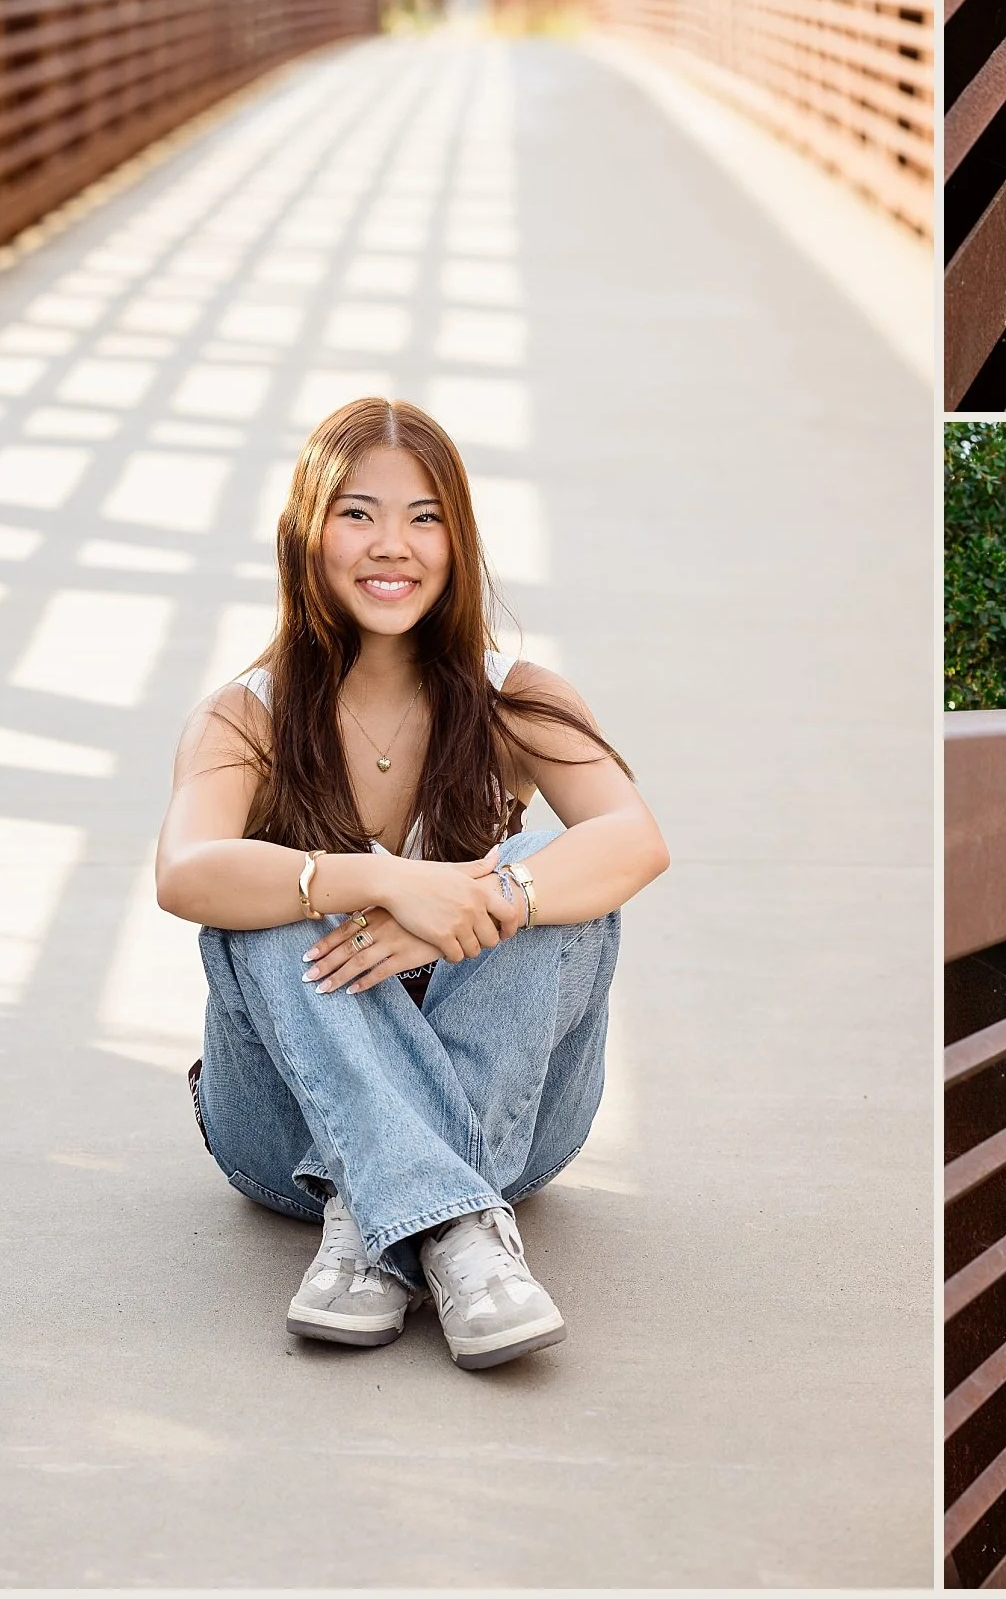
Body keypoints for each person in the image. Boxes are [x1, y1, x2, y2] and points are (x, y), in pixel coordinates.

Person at [157, 396, 667, 1369]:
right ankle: (457, 1227)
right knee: (265, 898)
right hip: (283, 1131)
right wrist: (379, 881)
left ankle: (376, 1218)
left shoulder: (515, 696)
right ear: (305, 533)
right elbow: (184, 870)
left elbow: (635, 837)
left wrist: (469, 907)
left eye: (423, 516)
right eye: (357, 512)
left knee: (560, 886)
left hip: (519, 1112)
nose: (391, 544)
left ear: (457, 540)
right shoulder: (244, 716)